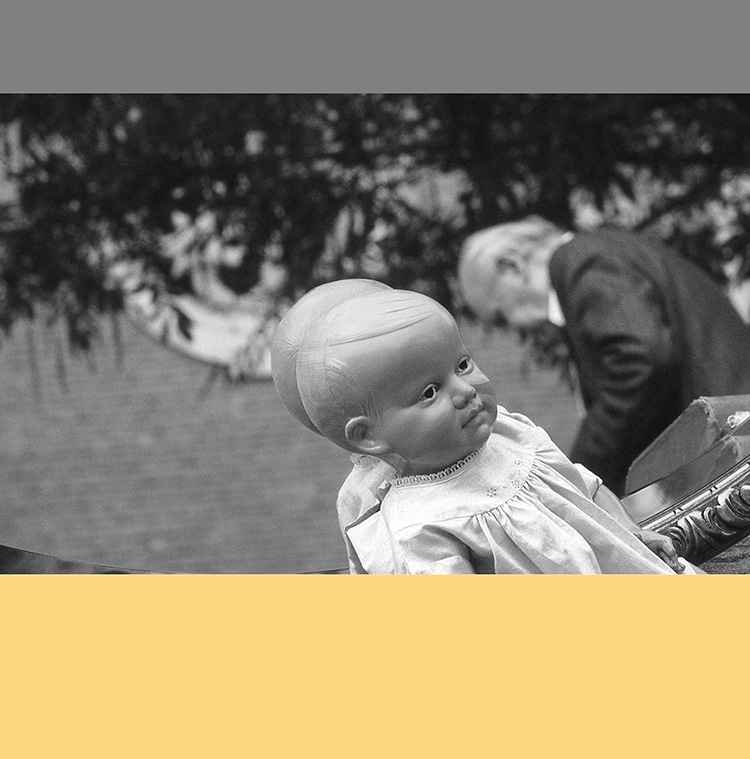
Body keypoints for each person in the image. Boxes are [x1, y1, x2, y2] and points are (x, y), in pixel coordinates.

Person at [273, 283, 696, 574]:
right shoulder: (419, 525)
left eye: (462, 365)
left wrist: (631, 532)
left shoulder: (509, 432)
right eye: (429, 393)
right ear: (369, 437)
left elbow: (585, 486)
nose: (465, 391)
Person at [458, 217, 750, 495]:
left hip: (734, 451)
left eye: (500, 317)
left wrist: (581, 475)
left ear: (511, 266)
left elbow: (639, 362)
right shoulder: (594, 257)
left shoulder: (580, 260)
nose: (515, 328)